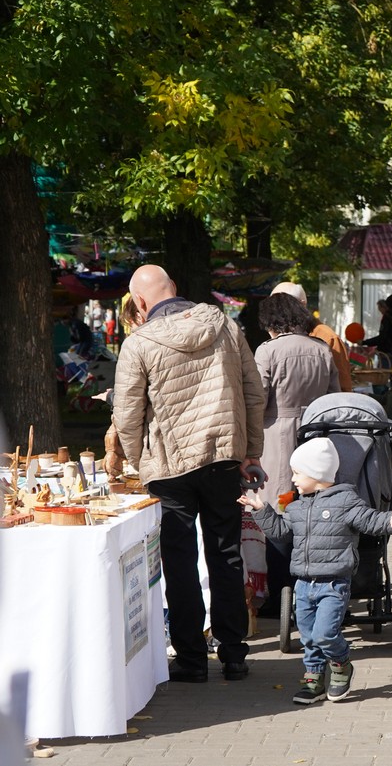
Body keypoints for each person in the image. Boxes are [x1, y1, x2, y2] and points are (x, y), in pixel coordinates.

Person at [111, 264, 266, 683]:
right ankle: (234, 655)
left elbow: (127, 414)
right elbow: (255, 392)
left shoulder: (139, 342)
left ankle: (193, 659)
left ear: (140, 302)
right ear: (175, 289)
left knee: (179, 562)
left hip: (169, 464)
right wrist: (251, 452)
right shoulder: (226, 327)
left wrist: (134, 460)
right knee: (226, 554)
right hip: (222, 456)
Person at [239, 438, 392, 704]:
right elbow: (281, 533)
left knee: (324, 634)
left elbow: (371, 520)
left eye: (297, 473)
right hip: (303, 585)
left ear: (317, 474)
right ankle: (314, 678)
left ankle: (341, 665)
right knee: (308, 636)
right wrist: (262, 512)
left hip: (333, 584)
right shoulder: (296, 506)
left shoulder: (346, 502)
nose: (293, 479)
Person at [255, 293, 340, 609]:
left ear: (271, 323)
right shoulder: (322, 350)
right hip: (316, 434)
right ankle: (317, 589)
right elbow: (335, 397)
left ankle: (280, 595)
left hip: (277, 435)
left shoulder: (268, 351)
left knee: (278, 512)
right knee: (314, 511)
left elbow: (257, 400)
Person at [272, 282, 354, 392]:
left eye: (284, 305)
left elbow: (343, 387)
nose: (276, 312)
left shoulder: (327, 338)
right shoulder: (276, 334)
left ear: (302, 304)